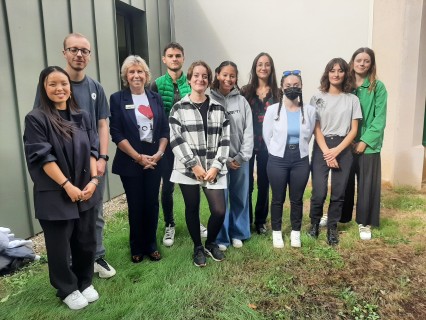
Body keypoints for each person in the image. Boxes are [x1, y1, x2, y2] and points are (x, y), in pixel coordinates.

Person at [33, 33, 115, 278]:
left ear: (89, 56)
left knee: (94, 213)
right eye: (74, 49)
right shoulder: (52, 85)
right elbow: (41, 125)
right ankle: (69, 264)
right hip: (62, 167)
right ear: (64, 52)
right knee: (66, 218)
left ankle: (96, 257)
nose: (79, 54)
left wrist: (102, 158)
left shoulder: (95, 88)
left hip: (90, 164)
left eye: (84, 51)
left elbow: (102, 125)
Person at [24, 66, 100, 310]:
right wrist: (67, 185)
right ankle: (67, 288)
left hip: (85, 190)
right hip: (56, 193)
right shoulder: (36, 119)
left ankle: (85, 280)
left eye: (63, 84)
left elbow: (92, 149)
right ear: (44, 88)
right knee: (59, 245)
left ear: (70, 87)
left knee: (86, 240)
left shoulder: (83, 116)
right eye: (52, 84)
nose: (59, 89)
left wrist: (93, 181)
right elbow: (43, 157)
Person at [169, 61, 230, 267]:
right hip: (188, 170)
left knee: (219, 210)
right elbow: (176, 140)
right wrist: (193, 165)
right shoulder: (178, 109)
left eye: (204, 76)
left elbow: (225, 140)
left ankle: (210, 242)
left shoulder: (219, 109)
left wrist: (216, 166)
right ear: (189, 79)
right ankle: (197, 247)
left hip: (214, 167)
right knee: (192, 207)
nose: (200, 79)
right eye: (196, 75)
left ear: (209, 80)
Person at [109, 55, 169, 263]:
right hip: (130, 159)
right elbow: (116, 133)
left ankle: (151, 244)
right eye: (132, 71)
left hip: (154, 158)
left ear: (146, 75)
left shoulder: (155, 97)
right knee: (136, 204)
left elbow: (163, 129)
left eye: (140, 71)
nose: (136, 75)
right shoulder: (118, 98)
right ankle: (136, 246)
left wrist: (159, 154)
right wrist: (137, 157)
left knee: (152, 203)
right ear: (126, 75)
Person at [151, 42, 207, 247]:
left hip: (189, 143)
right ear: (164, 59)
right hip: (166, 145)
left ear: (183, 58)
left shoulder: (191, 82)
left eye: (178, 55)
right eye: (170, 56)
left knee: (195, 184)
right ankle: (170, 224)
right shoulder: (156, 84)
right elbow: (153, 115)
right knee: (167, 187)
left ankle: (196, 220)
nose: (174, 59)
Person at [309, 58, 362, 245]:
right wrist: (327, 152)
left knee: (339, 192)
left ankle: (332, 227)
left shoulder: (352, 99)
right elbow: (315, 128)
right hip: (322, 146)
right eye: (332, 70)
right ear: (327, 73)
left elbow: (354, 130)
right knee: (319, 191)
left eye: (340, 71)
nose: (336, 74)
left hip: (343, 147)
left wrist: (337, 151)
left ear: (345, 74)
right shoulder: (317, 98)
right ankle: (314, 223)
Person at [263, 70, 316, 248]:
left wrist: (298, 149)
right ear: (282, 88)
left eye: (296, 86)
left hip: (300, 159)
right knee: (277, 198)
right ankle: (276, 232)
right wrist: (276, 152)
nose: (292, 88)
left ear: (301, 87)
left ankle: (295, 232)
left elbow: (308, 136)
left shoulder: (309, 111)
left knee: (297, 198)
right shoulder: (272, 110)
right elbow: (267, 135)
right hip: (278, 159)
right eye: (288, 86)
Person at [342, 48, 388, 240]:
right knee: (343, 182)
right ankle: (341, 216)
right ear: (352, 62)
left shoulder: (378, 87)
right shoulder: (346, 86)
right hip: (346, 142)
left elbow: (380, 119)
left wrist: (365, 141)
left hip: (368, 146)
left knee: (367, 184)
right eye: (358, 60)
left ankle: (364, 222)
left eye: (366, 61)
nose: (362, 64)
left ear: (371, 64)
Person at [210, 61, 253, 250]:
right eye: (225, 75)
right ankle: (222, 237)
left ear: (236, 78)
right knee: (221, 198)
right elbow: (208, 132)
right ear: (218, 75)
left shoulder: (242, 101)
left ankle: (239, 233)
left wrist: (241, 157)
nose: (228, 79)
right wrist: (224, 159)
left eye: (232, 76)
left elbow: (249, 130)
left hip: (240, 160)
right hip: (218, 160)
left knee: (240, 197)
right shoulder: (209, 99)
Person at [241, 53, 279, 234]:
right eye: (260, 64)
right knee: (246, 184)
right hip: (247, 144)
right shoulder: (245, 91)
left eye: (267, 64)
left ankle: (261, 221)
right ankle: (246, 220)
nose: (263, 68)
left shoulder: (278, 93)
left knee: (264, 183)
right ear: (255, 68)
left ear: (271, 68)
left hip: (268, 146)